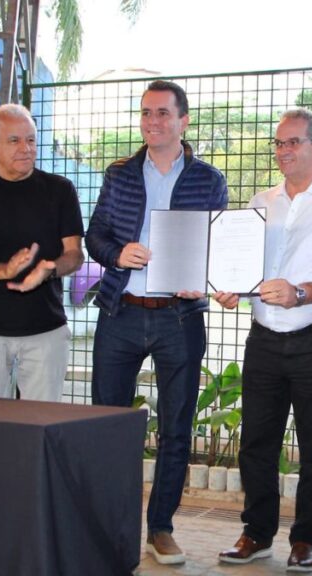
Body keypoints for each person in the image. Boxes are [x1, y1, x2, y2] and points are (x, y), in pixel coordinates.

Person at [214, 108, 312, 572]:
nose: (284, 151)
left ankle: (306, 540)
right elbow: (243, 262)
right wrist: (230, 286)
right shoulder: (262, 201)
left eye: (293, 142)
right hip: (263, 339)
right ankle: (257, 534)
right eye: (279, 143)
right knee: (257, 441)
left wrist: (301, 294)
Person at [85, 80, 228, 565]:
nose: (153, 121)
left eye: (163, 113)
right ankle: (110, 524)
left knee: (176, 429)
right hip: (121, 311)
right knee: (108, 422)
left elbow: (221, 246)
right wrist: (116, 252)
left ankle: (161, 528)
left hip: (179, 318)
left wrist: (205, 278)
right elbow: (96, 234)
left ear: (183, 121)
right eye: (146, 112)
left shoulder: (208, 178)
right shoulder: (120, 173)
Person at [0, 103, 84, 401]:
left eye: (31, 139)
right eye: (14, 140)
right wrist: (3, 272)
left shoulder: (60, 190)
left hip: (46, 331)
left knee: (41, 424)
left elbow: (74, 254)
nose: (26, 148)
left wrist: (49, 270)